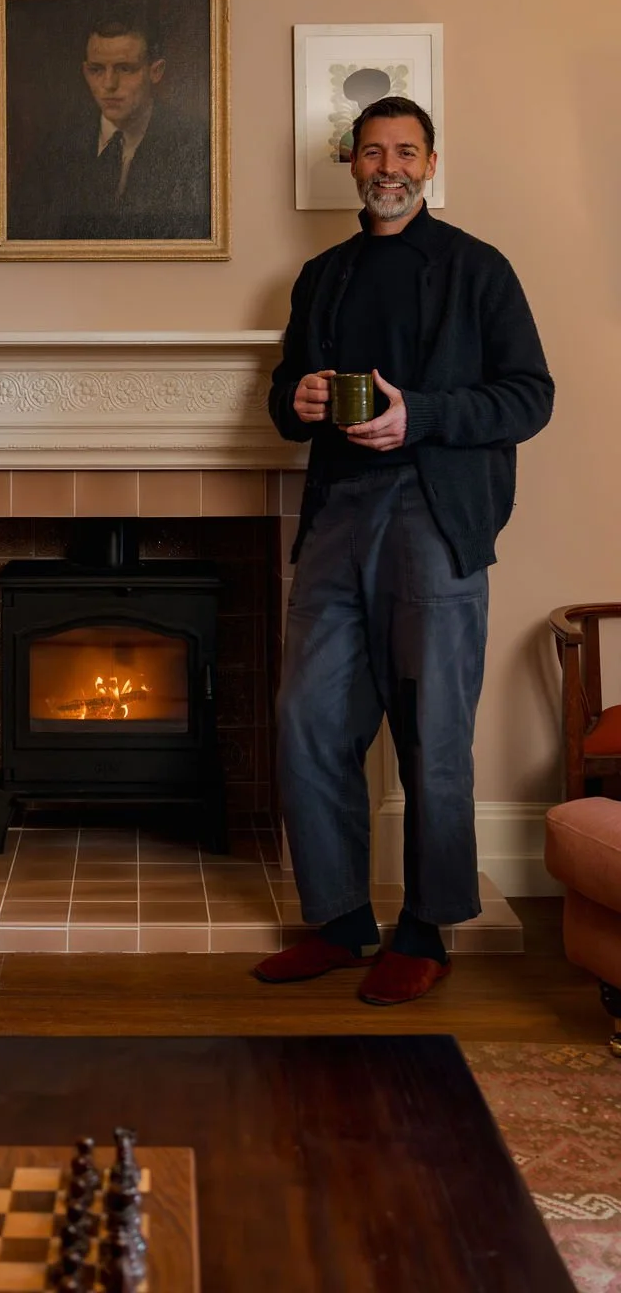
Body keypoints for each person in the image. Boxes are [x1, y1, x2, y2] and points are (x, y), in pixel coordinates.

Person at [255, 95, 554, 1005]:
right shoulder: (321, 275)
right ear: (350, 161)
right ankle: (343, 922)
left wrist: (417, 414)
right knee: (308, 718)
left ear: (430, 163)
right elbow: (281, 401)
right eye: (373, 151)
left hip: (436, 513)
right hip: (338, 512)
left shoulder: (479, 269)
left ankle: (426, 930)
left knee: (432, 734)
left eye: (406, 152)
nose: (389, 166)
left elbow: (529, 397)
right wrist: (298, 402)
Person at [8, 7, 211, 240]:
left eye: (125, 69)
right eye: (96, 70)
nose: (109, 84)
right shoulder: (54, 147)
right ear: (85, 72)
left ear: (155, 72)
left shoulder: (196, 143)